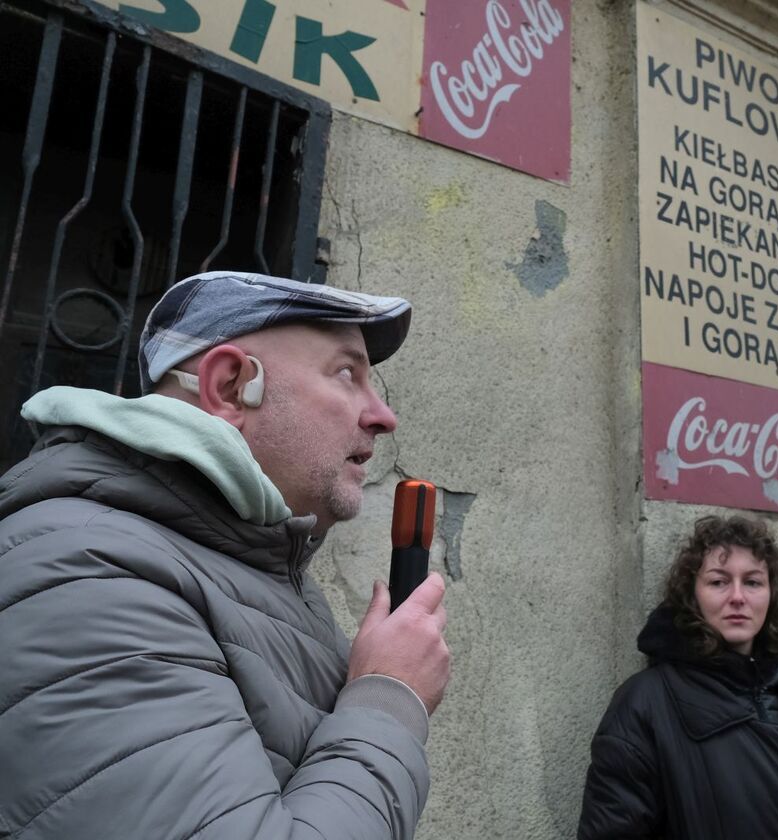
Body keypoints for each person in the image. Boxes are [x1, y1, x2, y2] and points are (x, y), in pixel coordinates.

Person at [0, 271, 450, 839]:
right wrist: (390, 696)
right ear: (231, 385)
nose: (384, 416)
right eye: (346, 373)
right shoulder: (85, 573)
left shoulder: (248, 566)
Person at [578, 515, 778, 840]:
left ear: (771, 595)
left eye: (753, 582)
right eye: (718, 581)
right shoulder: (646, 705)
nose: (737, 597)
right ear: (693, 596)